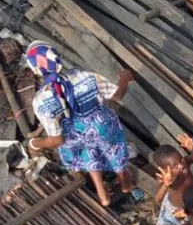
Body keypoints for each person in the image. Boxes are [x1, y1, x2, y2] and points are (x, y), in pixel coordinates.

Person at [24, 41, 136, 207]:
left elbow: (57, 141)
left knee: (88, 153)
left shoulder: (40, 102)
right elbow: (116, 96)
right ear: (57, 58)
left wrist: (34, 143)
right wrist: (125, 79)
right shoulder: (86, 77)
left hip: (75, 137)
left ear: (36, 70)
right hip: (102, 127)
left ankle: (102, 194)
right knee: (114, 151)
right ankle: (126, 184)